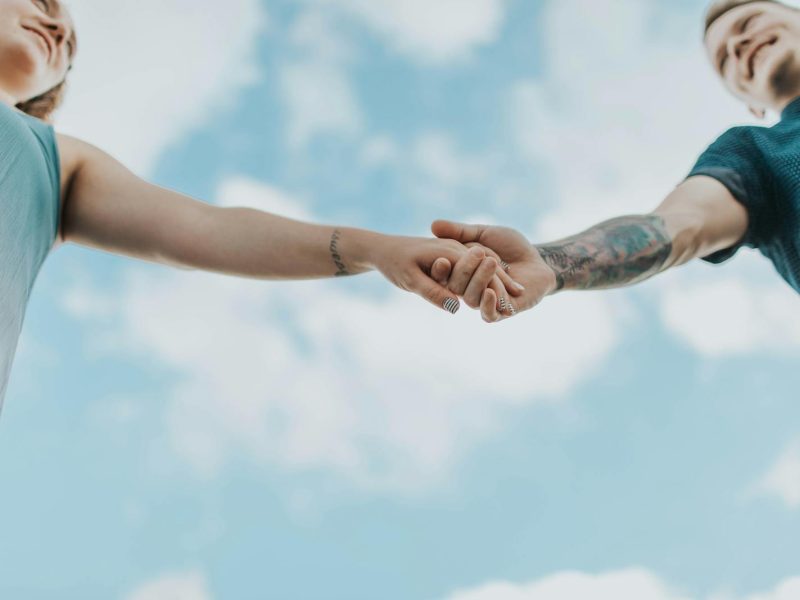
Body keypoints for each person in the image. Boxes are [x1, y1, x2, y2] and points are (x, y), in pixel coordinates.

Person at [0, 0, 524, 409]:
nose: (59, 32)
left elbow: (210, 228)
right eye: (42, 4)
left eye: (69, 48)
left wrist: (377, 249)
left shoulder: (57, 166)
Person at [434, 0, 800, 322]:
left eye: (750, 23)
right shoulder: (753, 154)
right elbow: (677, 225)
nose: (737, 45)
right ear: (749, 103)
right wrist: (549, 263)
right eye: (724, 60)